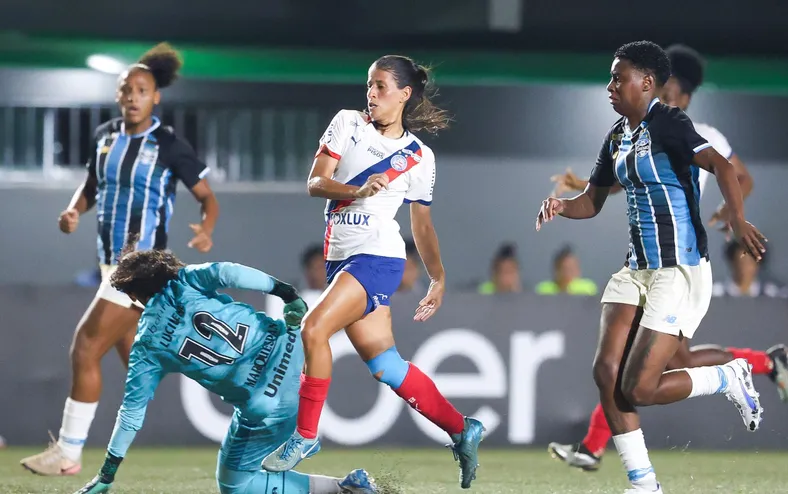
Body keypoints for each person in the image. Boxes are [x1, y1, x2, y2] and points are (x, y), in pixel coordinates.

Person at [536, 41, 766, 494]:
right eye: (610, 77)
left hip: (677, 270)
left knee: (639, 388)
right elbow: (593, 201)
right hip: (636, 269)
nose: (610, 85)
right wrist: (561, 205)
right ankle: (644, 485)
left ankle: (727, 375)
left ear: (646, 82)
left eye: (618, 77)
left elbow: (721, 166)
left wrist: (736, 219)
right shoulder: (618, 135)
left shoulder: (671, 122)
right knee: (606, 373)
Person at [261, 55, 484, 489]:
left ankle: (305, 437)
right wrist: (357, 189)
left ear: (404, 94)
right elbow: (315, 182)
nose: (372, 93)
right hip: (340, 257)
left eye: (381, 86)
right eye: (369, 85)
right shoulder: (348, 123)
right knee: (386, 365)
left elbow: (421, 225)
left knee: (313, 329)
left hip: (378, 257)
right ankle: (461, 429)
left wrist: (437, 278)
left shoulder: (420, 157)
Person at [21, 43, 220, 476]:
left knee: (85, 346)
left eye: (141, 89)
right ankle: (241, 389)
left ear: (156, 98)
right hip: (110, 265)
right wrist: (75, 209)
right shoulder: (106, 137)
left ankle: (69, 452)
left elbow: (207, 198)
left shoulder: (168, 144)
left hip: (141, 269)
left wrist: (205, 229)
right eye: (126, 89)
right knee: (136, 360)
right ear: (118, 95)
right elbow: (91, 184)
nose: (132, 96)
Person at [71, 248, 377, 494]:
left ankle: (343, 490)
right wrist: (285, 292)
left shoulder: (147, 344)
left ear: (135, 296)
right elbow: (229, 272)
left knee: (235, 484)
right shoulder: (187, 279)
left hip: (268, 403)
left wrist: (107, 474)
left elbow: (131, 414)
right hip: (297, 353)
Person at [713, 239, 788, 298]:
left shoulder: (773, 294)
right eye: (740, 262)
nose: (743, 267)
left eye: (749, 262)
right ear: (732, 262)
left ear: (758, 264)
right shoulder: (714, 293)